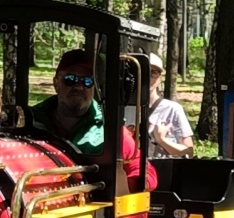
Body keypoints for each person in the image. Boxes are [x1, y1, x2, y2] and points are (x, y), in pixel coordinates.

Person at [34, 47, 155, 189]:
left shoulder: (110, 129)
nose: (79, 87)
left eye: (87, 81)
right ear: (56, 83)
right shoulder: (32, 120)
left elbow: (145, 172)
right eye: (70, 80)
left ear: (95, 87)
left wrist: (122, 189)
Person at [146, 54, 194, 158]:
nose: (147, 78)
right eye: (143, 72)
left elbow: (188, 153)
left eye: (153, 73)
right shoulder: (122, 109)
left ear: (160, 78)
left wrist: (161, 140)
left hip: (162, 171)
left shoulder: (173, 109)